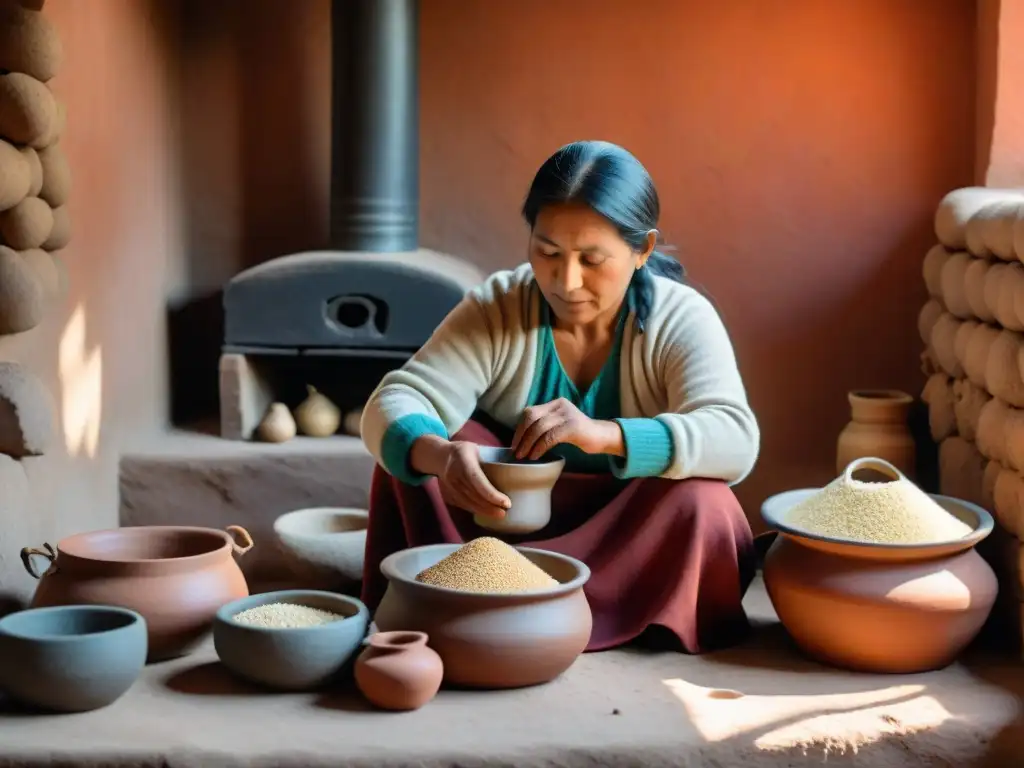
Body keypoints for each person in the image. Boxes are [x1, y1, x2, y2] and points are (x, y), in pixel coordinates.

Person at [359, 140, 760, 653]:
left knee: (705, 502)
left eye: (593, 260)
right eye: (548, 252)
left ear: (643, 250)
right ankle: (470, 597)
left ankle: (582, 611)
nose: (566, 281)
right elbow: (395, 400)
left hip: (626, 530)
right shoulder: (500, 306)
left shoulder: (679, 317)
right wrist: (441, 456)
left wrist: (604, 436)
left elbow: (735, 438)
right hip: (499, 526)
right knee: (417, 450)